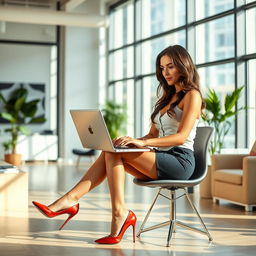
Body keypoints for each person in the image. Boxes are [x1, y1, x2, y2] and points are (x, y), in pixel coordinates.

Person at [32, 44, 205, 244]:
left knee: (114, 153)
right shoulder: (166, 98)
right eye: (162, 68)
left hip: (180, 162)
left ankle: (87, 205)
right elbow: (151, 134)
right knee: (112, 150)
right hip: (161, 157)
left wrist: (144, 143)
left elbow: (180, 137)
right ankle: (103, 209)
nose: (165, 72)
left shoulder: (192, 95)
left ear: (183, 66)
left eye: (170, 67)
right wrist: (131, 141)